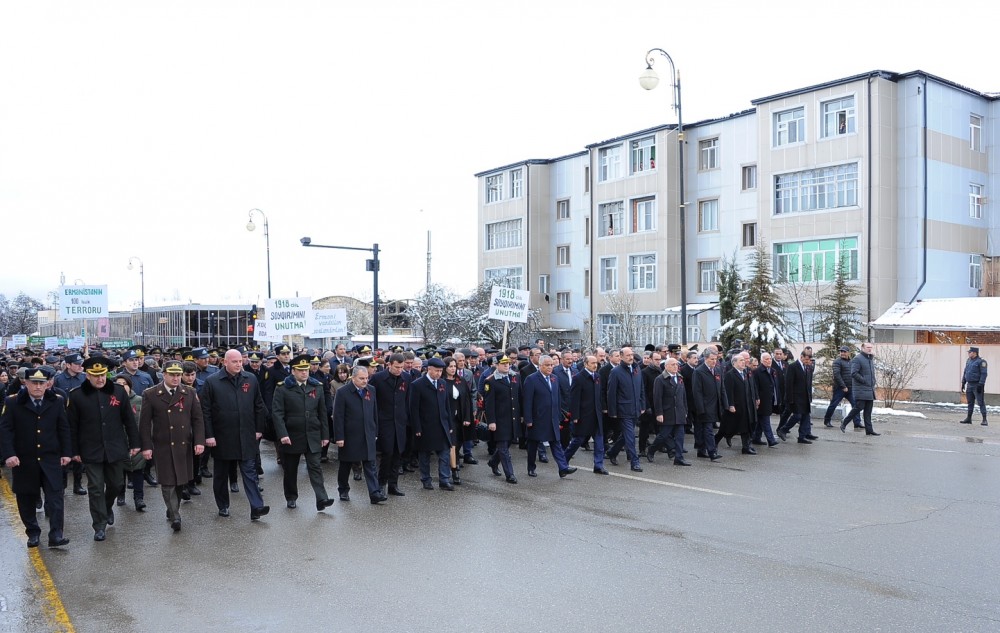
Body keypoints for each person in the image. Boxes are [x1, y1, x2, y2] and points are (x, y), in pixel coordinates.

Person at [66, 357, 141, 542]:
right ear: (87, 375)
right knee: (96, 488)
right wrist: (73, 451)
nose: (100, 379)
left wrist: (135, 443)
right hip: (90, 450)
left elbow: (128, 421)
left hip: (115, 447)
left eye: (102, 375)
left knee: (116, 484)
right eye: (95, 375)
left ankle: (107, 507)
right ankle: (99, 525)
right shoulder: (76, 395)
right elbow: (72, 426)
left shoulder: (118, 392)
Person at [0, 366, 72, 548]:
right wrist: (9, 454)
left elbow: (63, 428)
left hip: (51, 458)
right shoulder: (13, 402)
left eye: (42, 383)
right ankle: (32, 532)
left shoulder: (56, 401)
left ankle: (56, 534)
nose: (38, 387)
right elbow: (5, 430)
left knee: (55, 498)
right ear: (26, 383)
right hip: (24, 460)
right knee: (26, 498)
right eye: (34, 383)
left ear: (48, 384)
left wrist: (66, 453)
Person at [201, 350, 270, 521]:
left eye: (240, 361)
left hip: (246, 434)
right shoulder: (212, 382)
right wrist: (209, 435)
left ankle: (256, 507)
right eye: (235, 361)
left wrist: (259, 429)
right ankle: (223, 505)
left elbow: (258, 405)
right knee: (221, 474)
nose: (239, 364)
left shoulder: (250, 379)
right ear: (225, 362)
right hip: (222, 436)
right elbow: (206, 412)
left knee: (250, 472)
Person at [138, 360, 206, 532]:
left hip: (184, 443)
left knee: (181, 481)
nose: (176, 378)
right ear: (164, 374)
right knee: (168, 481)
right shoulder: (151, 394)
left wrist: (199, 441)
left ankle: (172, 508)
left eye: (178, 375)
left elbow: (197, 419)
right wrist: (146, 446)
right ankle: (175, 515)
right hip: (163, 444)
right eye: (172, 375)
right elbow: (144, 423)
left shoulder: (189, 392)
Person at [271, 354, 334, 511]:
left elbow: (322, 413)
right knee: (291, 470)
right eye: (300, 370)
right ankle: (291, 497)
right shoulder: (283, 388)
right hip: (292, 435)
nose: (304, 373)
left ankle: (322, 498)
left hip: (312, 434)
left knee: (315, 467)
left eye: (306, 369)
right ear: (293, 371)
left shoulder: (316, 386)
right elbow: (277, 414)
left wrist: (325, 435)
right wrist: (282, 434)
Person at [332, 365, 385, 504]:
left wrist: (375, 431)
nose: (365, 381)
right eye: (361, 378)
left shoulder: (371, 390)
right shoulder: (343, 392)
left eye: (367, 378)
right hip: (350, 436)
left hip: (368, 433)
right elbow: (338, 416)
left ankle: (374, 493)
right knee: (346, 465)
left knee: (370, 465)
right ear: (353, 378)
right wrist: (339, 437)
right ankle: (343, 489)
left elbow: (374, 413)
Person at [521, 356, 576, 478]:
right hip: (537, 418)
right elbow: (527, 401)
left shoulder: (554, 378)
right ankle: (531, 467)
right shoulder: (532, 379)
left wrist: (558, 417)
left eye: (551, 365)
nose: (550, 367)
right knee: (533, 444)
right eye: (547, 365)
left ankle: (563, 468)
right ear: (540, 366)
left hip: (552, 418)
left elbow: (557, 398)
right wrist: (528, 419)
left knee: (556, 443)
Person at [410, 358, 455, 490]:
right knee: (424, 454)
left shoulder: (442, 383)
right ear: (429, 369)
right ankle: (426, 479)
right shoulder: (417, 385)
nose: (439, 373)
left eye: (441, 371)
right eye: (436, 371)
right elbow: (414, 408)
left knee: (445, 453)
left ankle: (444, 479)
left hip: (442, 424)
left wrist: (450, 425)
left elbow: (447, 405)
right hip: (426, 426)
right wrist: (417, 427)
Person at [369, 352, 410, 497]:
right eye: (397, 367)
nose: (399, 370)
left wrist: (406, 419)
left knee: (398, 453)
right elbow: (371, 400)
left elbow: (407, 400)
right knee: (387, 453)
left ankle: (394, 484)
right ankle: (381, 484)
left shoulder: (406, 378)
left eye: (402, 367)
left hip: (400, 422)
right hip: (384, 421)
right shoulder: (378, 378)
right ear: (389, 365)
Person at [564, 355, 607, 474]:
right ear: (585, 364)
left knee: (599, 441)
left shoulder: (597, 376)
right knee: (578, 440)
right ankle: (563, 461)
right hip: (584, 415)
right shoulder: (578, 378)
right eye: (592, 363)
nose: (595, 365)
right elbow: (574, 398)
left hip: (596, 415)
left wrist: (603, 408)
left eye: (596, 363)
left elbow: (600, 394)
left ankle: (598, 465)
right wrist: (575, 416)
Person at [606, 347, 645, 472]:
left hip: (635, 408)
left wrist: (642, 405)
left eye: (632, 355)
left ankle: (612, 452)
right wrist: (613, 411)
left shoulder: (636, 368)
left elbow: (641, 388)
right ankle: (635, 462)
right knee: (630, 436)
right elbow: (611, 393)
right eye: (627, 355)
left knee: (625, 436)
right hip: (623, 409)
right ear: (621, 356)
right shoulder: (616, 371)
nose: (630, 357)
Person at [483, 355, 521, 483]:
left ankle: (493, 462)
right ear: (496, 365)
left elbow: (519, 397)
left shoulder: (515, 376)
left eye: (508, 363)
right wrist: (491, 421)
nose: (506, 365)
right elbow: (489, 404)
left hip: (513, 418)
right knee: (503, 448)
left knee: (507, 444)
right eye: (503, 363)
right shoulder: (491, 381)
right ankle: (510, 474)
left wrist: (521, 416)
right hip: (500, 420)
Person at [647, 358, 691, 465]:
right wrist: (659, 413)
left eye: (676, 364)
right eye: (672, 364)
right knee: (663, 436)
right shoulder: (660, 379)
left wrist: (685, 410)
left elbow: (683, 396)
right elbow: (657, 398)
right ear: (666, 366)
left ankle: (679, 458)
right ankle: (651, 450)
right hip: (667, 412)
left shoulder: (680, 377)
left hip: (679, 412)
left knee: (680, 436)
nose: (675, 366)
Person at [718, 354, 756, 455]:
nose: (743, 362)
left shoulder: (745, 373)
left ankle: (745, 447)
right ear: (734, 363)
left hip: (745, 405)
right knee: (725, 428)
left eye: (744, 360)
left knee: (745, 427)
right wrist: (730, 405)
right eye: (741, 360)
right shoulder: (730, 375)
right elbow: (728, 391)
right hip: (735, 406)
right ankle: (713, 443)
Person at [691, 348, 724, 461]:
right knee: (708, 430)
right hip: (705, 406)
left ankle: (701, 450)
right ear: (705, 359)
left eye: (715, 359)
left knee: (703, 429)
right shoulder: (699, 371)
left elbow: (722, 388)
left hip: (715, 405)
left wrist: (725, 403)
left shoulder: (718, 370)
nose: (714, 361)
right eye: (711, 359)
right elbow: (697, 391)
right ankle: (712, 452)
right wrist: (700, 408)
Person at [777, 350, 817, 444]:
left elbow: (808, 383)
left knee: (805, 416)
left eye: (809, 360)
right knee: (797, 416)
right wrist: (789, 398)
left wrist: (809, 396)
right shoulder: (793, 366)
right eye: (806, 359)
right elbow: (789, 383)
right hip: (796, 397)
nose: (807, 361)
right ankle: (783, 429)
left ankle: (802, 436)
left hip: (805, 397)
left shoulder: (808, 367)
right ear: (801, 357)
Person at [842, 341, 880, 435]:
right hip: (861, 389)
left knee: (868, 411)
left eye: (871, 347)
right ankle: (844, 423)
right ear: (862, 348)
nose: (870, 349)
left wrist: (873, 381)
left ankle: (869, 430)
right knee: (858, 407)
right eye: (868, 347)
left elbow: (870, 373)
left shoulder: (870, 359)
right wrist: (864, 380)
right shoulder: (857, 359)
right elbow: (854, 373)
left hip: (869, 389)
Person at [824, 346, 859, 428]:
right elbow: (837, 375)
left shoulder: (851, 362)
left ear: (848, 353)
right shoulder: (837, 362)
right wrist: (843, 386)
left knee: (856, 405)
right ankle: (827, 420)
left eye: (844, 351)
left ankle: (857, 422)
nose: (842, 353)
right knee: (834, 404)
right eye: (841, 351)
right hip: (840, 388)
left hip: (850, 388)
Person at [751, 353, 780, 447]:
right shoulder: (757, 371)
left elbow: (775, 385)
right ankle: (771, 440)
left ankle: (756, 437)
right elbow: (755, 387)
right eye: (766, 359)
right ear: (762, 360)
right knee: (765, 419)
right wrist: (756, 398)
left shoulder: (773, 371)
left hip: (770, 399)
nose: (769, 361)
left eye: (770, 359)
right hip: (761, 400)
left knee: (761, 420)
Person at [961, 346, 989, 426]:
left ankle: (984, 419)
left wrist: (981, 384)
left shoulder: (981, 362)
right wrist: (963, 382)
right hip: (969, 384)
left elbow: (984, 374)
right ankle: (969, 418)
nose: (968, 354)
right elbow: (965, 372)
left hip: (977, 385)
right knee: (970, 402)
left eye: (970, 352)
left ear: (975, 353)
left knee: (980, 402)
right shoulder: (968, 361)